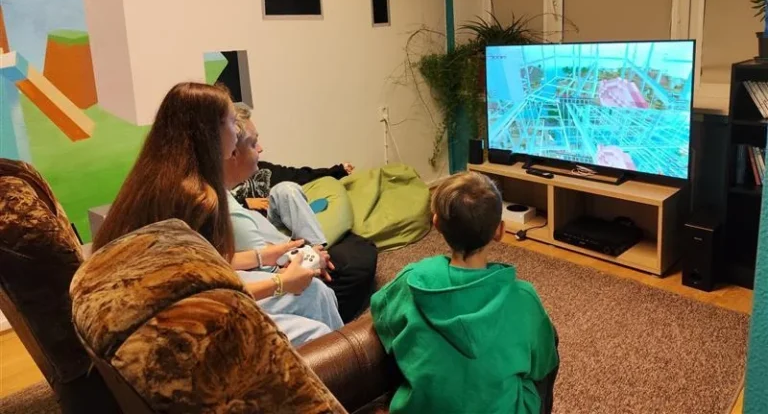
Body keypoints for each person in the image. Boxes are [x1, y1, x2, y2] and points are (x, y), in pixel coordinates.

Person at [92, 82, 342, 346]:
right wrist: (281, 283)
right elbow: (197, 290)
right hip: (164, 319)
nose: (238, 131)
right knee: (316, 326)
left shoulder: (161, 176)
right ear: (210, 133)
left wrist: (264, 255)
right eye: (233, 122)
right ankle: (343, 357)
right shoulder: (196, 197)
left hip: (155, 300)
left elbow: (203, 263)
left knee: (315, 292)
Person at [370, 172, 559, 414]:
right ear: (499, 231)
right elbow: (542, 364)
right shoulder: (524, 299)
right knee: (548, 338)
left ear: (436, 224)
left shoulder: (411, 280)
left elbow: (382, 317)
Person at [225, 103, 378, 322]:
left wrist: (336, 170)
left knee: (286, 189)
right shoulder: (227, 211)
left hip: (275, 226)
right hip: (274, 253)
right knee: (359, 257)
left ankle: (318, 249)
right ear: (231, 151)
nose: (260, 148)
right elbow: (263, 266)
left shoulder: (260, 170)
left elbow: (298, 174)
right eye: (253, 143)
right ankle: (319, 262)